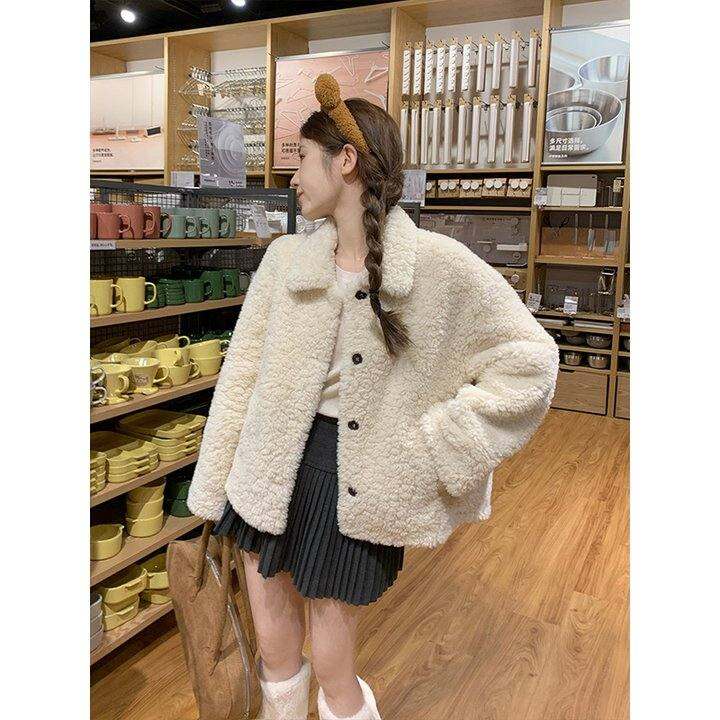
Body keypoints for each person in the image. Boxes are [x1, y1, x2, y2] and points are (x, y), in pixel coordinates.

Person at [186, 73, 560, 720]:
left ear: (346, 162)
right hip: (267, 467)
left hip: (354, 476)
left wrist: (438, 446)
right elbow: (241, 375)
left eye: (303, 158)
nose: (292, 177)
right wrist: (215, 485)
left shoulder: (440, 265)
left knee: (336, 667)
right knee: (273, 641)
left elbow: (530, 362)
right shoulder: (284, 260)